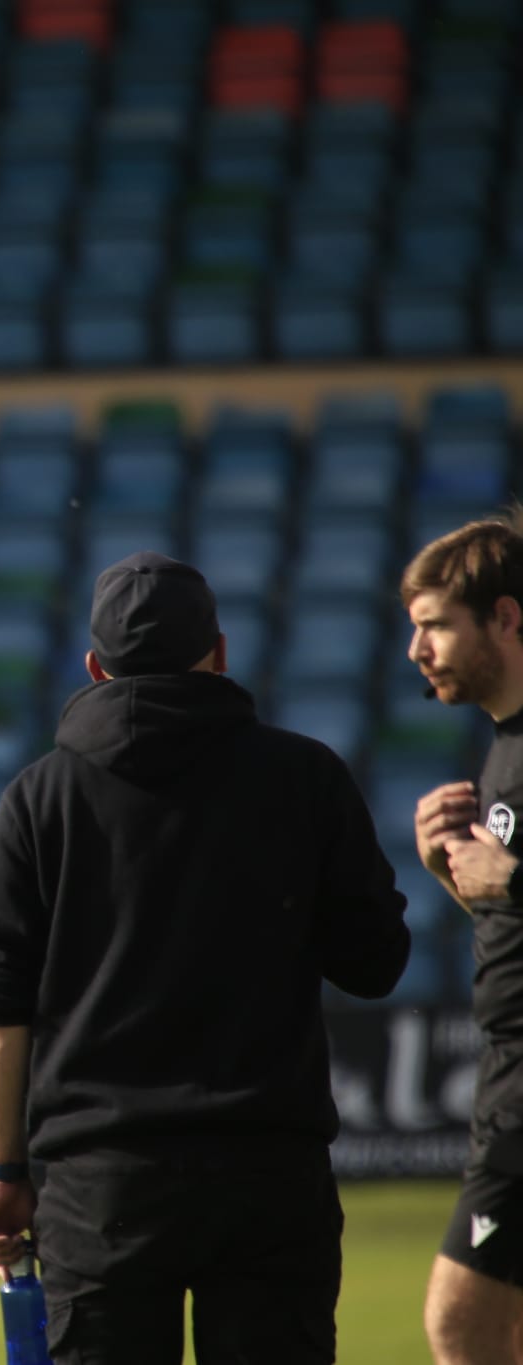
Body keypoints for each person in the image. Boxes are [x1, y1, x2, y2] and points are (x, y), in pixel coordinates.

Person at [0, 550, 411, 1365]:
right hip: (268, 1173)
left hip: (100, 1183)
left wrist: (3, 1166)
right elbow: (375, 963)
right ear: (220, 652)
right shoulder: (305, 777)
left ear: (96, 667)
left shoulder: (37, 797)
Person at [403, 512, 523, 1365]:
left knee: (460, 1320)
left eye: (436, 625)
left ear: (506, 618)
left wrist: (510, 879)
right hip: (508, 1070)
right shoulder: (501, 751)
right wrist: (461, 882)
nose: (418, 650)